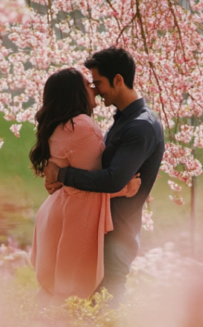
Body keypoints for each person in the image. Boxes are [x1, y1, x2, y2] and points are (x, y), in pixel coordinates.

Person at [44, 48, 165, 302]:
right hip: (98, 228)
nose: (96, 90)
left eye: (98, 83)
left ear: (118, 80)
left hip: (116, 234)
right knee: (84, 308)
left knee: (106, 308)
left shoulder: (141, 126)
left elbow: (113, 180)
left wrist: (61, 173)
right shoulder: (122, 122)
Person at [29, 68, 141, 301]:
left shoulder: (61, 124)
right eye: (87, 84)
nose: (94, 88)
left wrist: (59, 175)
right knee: (73, 293)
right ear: (75, 92)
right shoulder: (81, 126)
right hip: (75, 214)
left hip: (57, 211)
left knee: (56, 291)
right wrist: (126, 187)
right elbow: (94, 181)